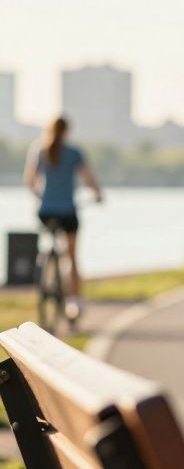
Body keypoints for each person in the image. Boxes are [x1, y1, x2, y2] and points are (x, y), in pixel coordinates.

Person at [23, 116, 103, 322]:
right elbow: (89, 179)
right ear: (67, 132)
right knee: (72, 257)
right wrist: (97, 194)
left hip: (46, 212)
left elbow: (29, 181)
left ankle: (48, 273)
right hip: (68, 211)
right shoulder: (74, 153)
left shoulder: (39, 150)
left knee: (52, 242)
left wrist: (41, 198)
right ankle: (74, 302)